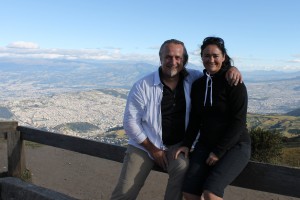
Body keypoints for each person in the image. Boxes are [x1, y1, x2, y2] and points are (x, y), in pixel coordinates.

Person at [110, 39, 242, 200]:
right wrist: (153, 150)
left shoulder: (193, 78)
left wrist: (232, 69)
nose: (173, 62)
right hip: (144, 146)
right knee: (125, 192)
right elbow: (130, 123)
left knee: (182, 168)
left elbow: (214, 73)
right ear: (160, 58)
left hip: (176, 146)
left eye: (178, 57)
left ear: (184, 60)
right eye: (168, 57)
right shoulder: (143, 86)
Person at [175, 36, 251, 200]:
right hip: (206, 144)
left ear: (223, 57)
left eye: (215, 55)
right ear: (201, 57)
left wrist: (218, 151)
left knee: (211, 193)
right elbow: (195, 118)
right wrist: (187, 144)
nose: (211, 59)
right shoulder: (198, 85)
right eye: (207, 55)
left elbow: (238, 122)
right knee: (189, 193)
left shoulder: (233, 83)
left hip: (235, 145)